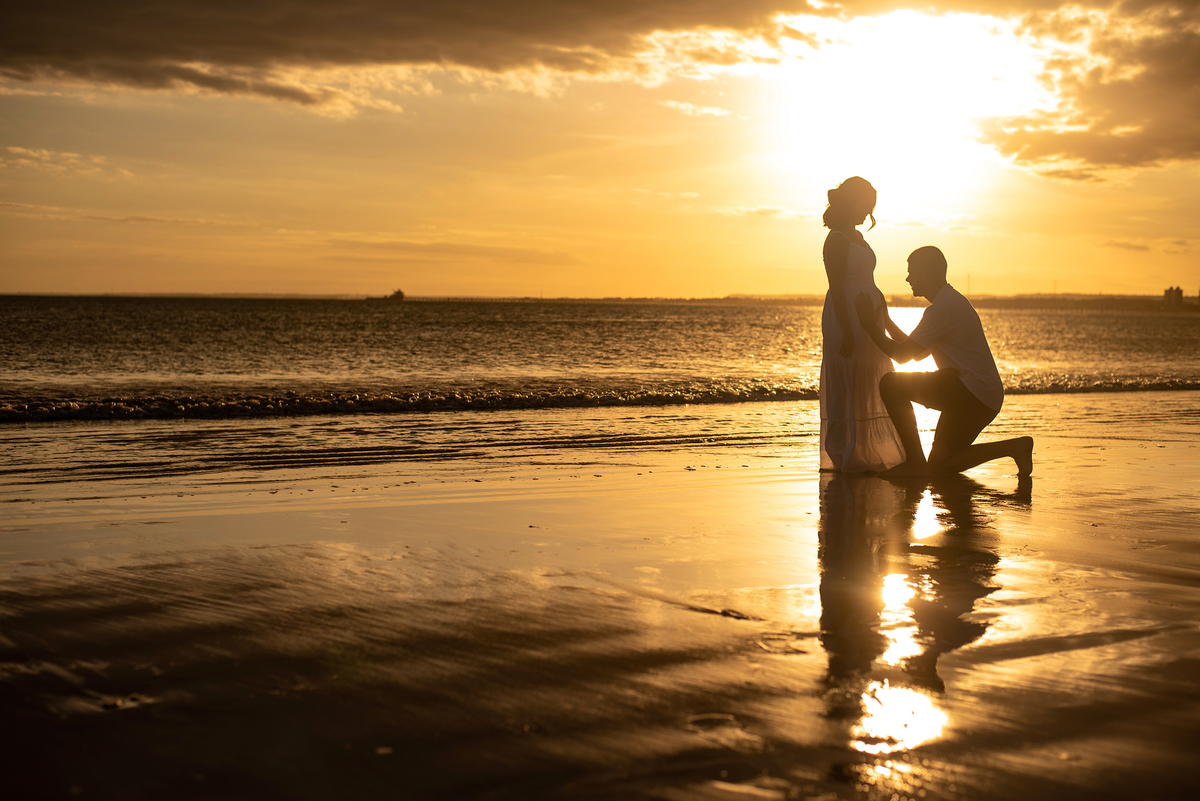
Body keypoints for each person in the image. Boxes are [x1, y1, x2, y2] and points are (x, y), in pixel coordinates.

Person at [853, 246, 1034, 476]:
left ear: (927, 274)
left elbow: (901, 356)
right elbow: (917, 354)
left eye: (912, 272)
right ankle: (1015, 447)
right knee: (938, 467)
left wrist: (870, 326)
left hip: (971, 392)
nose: (907, 278)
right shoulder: (948, 303)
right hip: (982, 395)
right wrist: (886, 322)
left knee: (890, 384)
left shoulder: (942, 309)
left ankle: (915, 463)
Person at [819, 177, 905, 472]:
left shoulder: (858, 237)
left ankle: (868, 449)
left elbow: (868, 281)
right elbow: (838, 287)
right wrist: (845, 328)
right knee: (848, 377)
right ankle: (847, 452)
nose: (867, 212)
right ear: (848, 202)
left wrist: (884, 316)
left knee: (870, 377)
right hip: (847, 317)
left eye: (870, 207)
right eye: (863, 205)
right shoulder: (837, 240)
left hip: (868, 316)